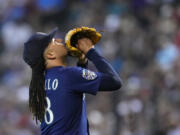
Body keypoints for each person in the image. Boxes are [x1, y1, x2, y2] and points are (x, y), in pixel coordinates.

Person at [23, 28, 122, 135]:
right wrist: (90, 51)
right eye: (54, 42)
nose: (59, 41)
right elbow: (114, 81)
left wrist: (82, 63)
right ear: (50, 54)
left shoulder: (41, 83)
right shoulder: (69, 75)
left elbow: (72, 97)